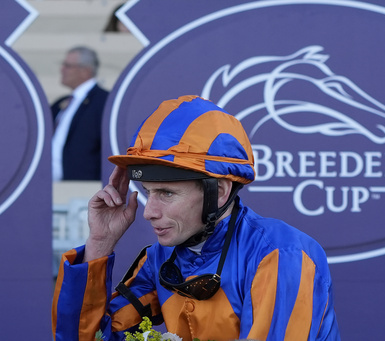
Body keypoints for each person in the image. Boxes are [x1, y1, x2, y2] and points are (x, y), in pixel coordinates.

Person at [52, 95, 341, 340]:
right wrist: (99, 244)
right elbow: (87, 336)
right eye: (147, 192)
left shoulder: (282, 253)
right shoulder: (158, 258)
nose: (149, 212)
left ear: (220, 191)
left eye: (166, 193)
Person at [51, 46, 109, 181]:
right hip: (51, 186)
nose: (62, 69)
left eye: (68, 66)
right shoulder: (60, 103)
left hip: (84, 187)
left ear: (85, 71)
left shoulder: (104, 101)